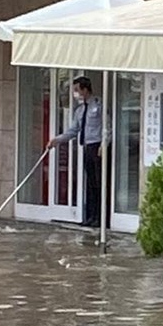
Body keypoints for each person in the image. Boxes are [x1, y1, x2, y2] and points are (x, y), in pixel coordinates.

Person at [48, 76, 103, 227]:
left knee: (99, 183)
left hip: (97, 147)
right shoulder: (80, 110)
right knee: (90, 183)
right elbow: (73, 130)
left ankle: (100, 217)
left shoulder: (98, 106)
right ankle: (91, 216)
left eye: (77, 90)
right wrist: (57, 140)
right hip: (86, 147)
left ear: (85, 89)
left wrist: (105, 144)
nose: (75, 93)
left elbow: (107, 126)